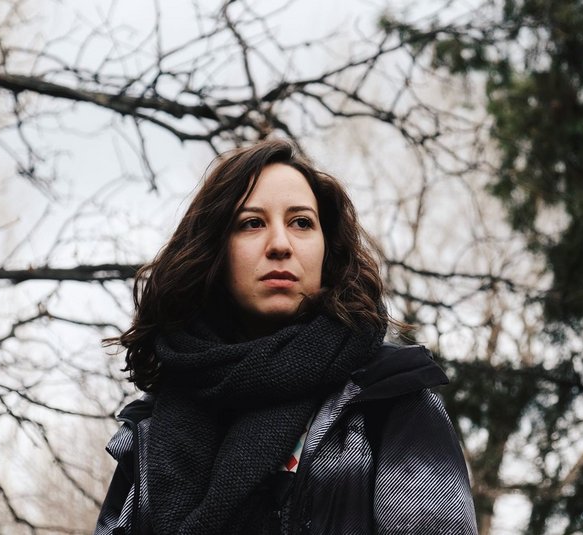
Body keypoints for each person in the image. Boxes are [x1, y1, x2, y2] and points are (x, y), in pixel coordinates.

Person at [95, 139, 478, 535]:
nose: (280, 244)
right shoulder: (150, 428)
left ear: (327, 249)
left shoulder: (388, 397)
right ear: (215, 251)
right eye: (252, 223)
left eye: (301, 223)